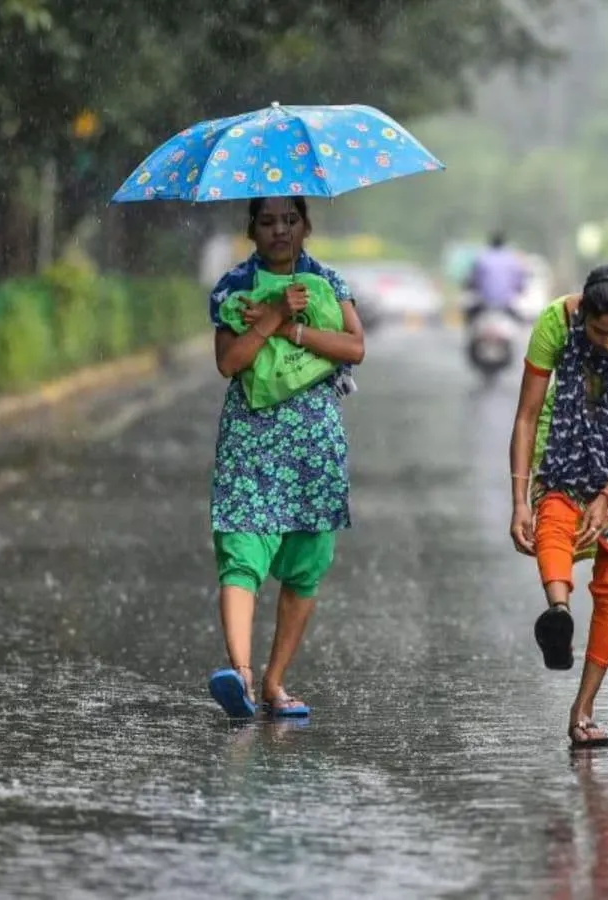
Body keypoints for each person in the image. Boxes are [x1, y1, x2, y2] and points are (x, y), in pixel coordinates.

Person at [205, 196, 365, 720]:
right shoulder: (233, 288)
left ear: (306, 225)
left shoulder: (327, 282)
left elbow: (354, 348)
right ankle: (242, 677)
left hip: (313, 442)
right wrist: (269, 317)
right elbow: (229, 362)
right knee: (241, 547)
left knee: (305, 563)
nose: (280, 230)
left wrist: (293, 328)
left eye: (290, 220)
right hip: (251, 439)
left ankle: (275, 682)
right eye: (268, 221)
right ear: (251, 228)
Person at [507, 261, 608, 749]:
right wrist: (520, 500)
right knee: (553, 518)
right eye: (601, 333)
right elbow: (527, 416)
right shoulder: (554, 324)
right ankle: (558, 614)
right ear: (582, 313)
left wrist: (607, 496)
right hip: (565, 438)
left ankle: (583, 709)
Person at [465, 231, 529, 324]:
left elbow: (473, 280)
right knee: (521, 322)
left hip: (485, 304)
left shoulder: (481, 258)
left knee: (470, 318)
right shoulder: (512, 259)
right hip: (507, 304)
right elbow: (520, 283)